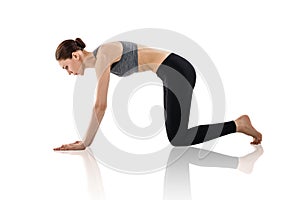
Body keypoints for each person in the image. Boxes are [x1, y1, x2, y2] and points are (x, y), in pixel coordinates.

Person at [53, 38, 262, 151]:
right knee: (178, 136)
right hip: (171, 73)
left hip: (177, 70)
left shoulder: (103, 54)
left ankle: (238, 124)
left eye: (66, 67)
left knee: (178, 137)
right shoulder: (101, 58)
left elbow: (100, 106)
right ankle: (238, 124)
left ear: (75, 55)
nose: (69, 72)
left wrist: (85, 143)